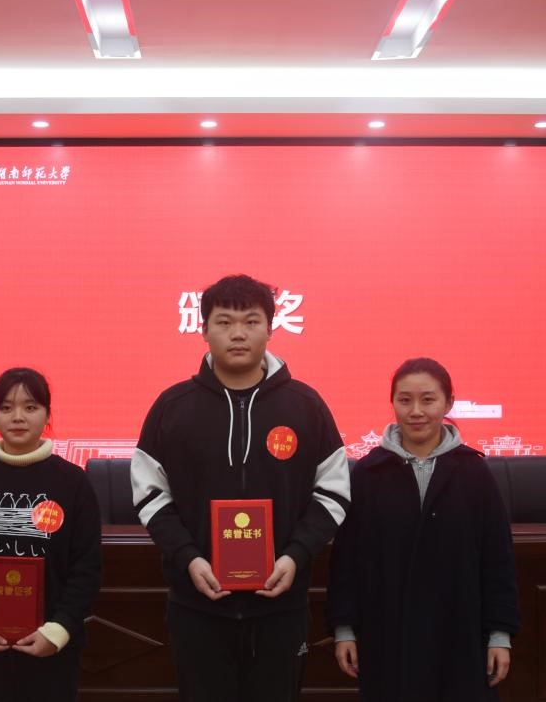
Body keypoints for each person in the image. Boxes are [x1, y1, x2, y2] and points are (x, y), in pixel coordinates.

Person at [131, 274, 351, 702]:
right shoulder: (172, 407)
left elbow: (333, 492)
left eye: (251, 321)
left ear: (270, 328)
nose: (237, 333)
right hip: (197, 605)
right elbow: (150, 493)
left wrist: (295, 555)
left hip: (281, 607)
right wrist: (189, 558)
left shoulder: (306, 406)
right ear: (203, 329)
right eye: (224, 321)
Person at [327, 357, 519, 701]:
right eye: (405, 400)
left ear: (448, 403)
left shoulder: (473, 473)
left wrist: (500, 635)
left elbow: (497, 560)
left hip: (459, 634)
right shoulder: (368, 474)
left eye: (428, 400)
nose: (416, 411)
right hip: (387, 633)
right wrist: (344, 629)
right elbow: (346, 560)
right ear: (393, 403)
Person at [0, 367, 102, 702]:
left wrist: (58, 630)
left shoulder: (73, 483)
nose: (18, 417)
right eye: (6, 407)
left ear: (47, 415)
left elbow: (87, 568)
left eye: (30, 406)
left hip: (52, 648)